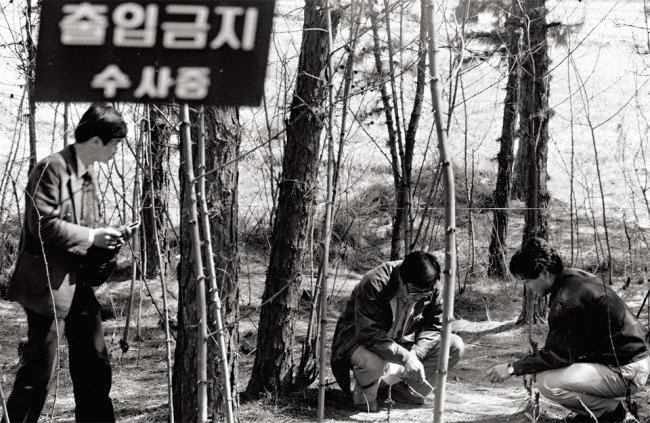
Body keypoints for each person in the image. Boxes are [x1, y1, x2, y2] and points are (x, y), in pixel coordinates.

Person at [4, 103, 135, 423]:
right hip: (47, 284)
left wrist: (111, 238)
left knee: (94, 361)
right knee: (39, 371)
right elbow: (43, 226)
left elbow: (84, 232)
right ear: (95, 141)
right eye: (115, 143)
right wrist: (93, 236)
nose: (118, 151)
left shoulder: (87, 176)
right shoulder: (51, 169)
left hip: (76, 285)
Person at [486, 237, 649, 423]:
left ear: (544, 273)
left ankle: (615, 414)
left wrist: (512, 368)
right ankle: (596, 413)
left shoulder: (567, 300)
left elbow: (558, 355)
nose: (528, 288)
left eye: (527, 281)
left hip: (626, 370)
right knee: (551, 375)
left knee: (547, 382)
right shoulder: (575, 277)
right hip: (631, 362)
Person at [331, 250, 465, 412]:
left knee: (454, 345)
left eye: (425, 294)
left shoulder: (431, 284)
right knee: (374, 363)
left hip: (403, 341)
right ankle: (364, 400)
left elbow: (433, 326)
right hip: (359, 341)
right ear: (402, 279)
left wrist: (416, 353)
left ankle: (398, 389)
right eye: (415, 291)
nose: (420, 297)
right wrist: (405, 357)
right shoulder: (375, 282)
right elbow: (369, 334)